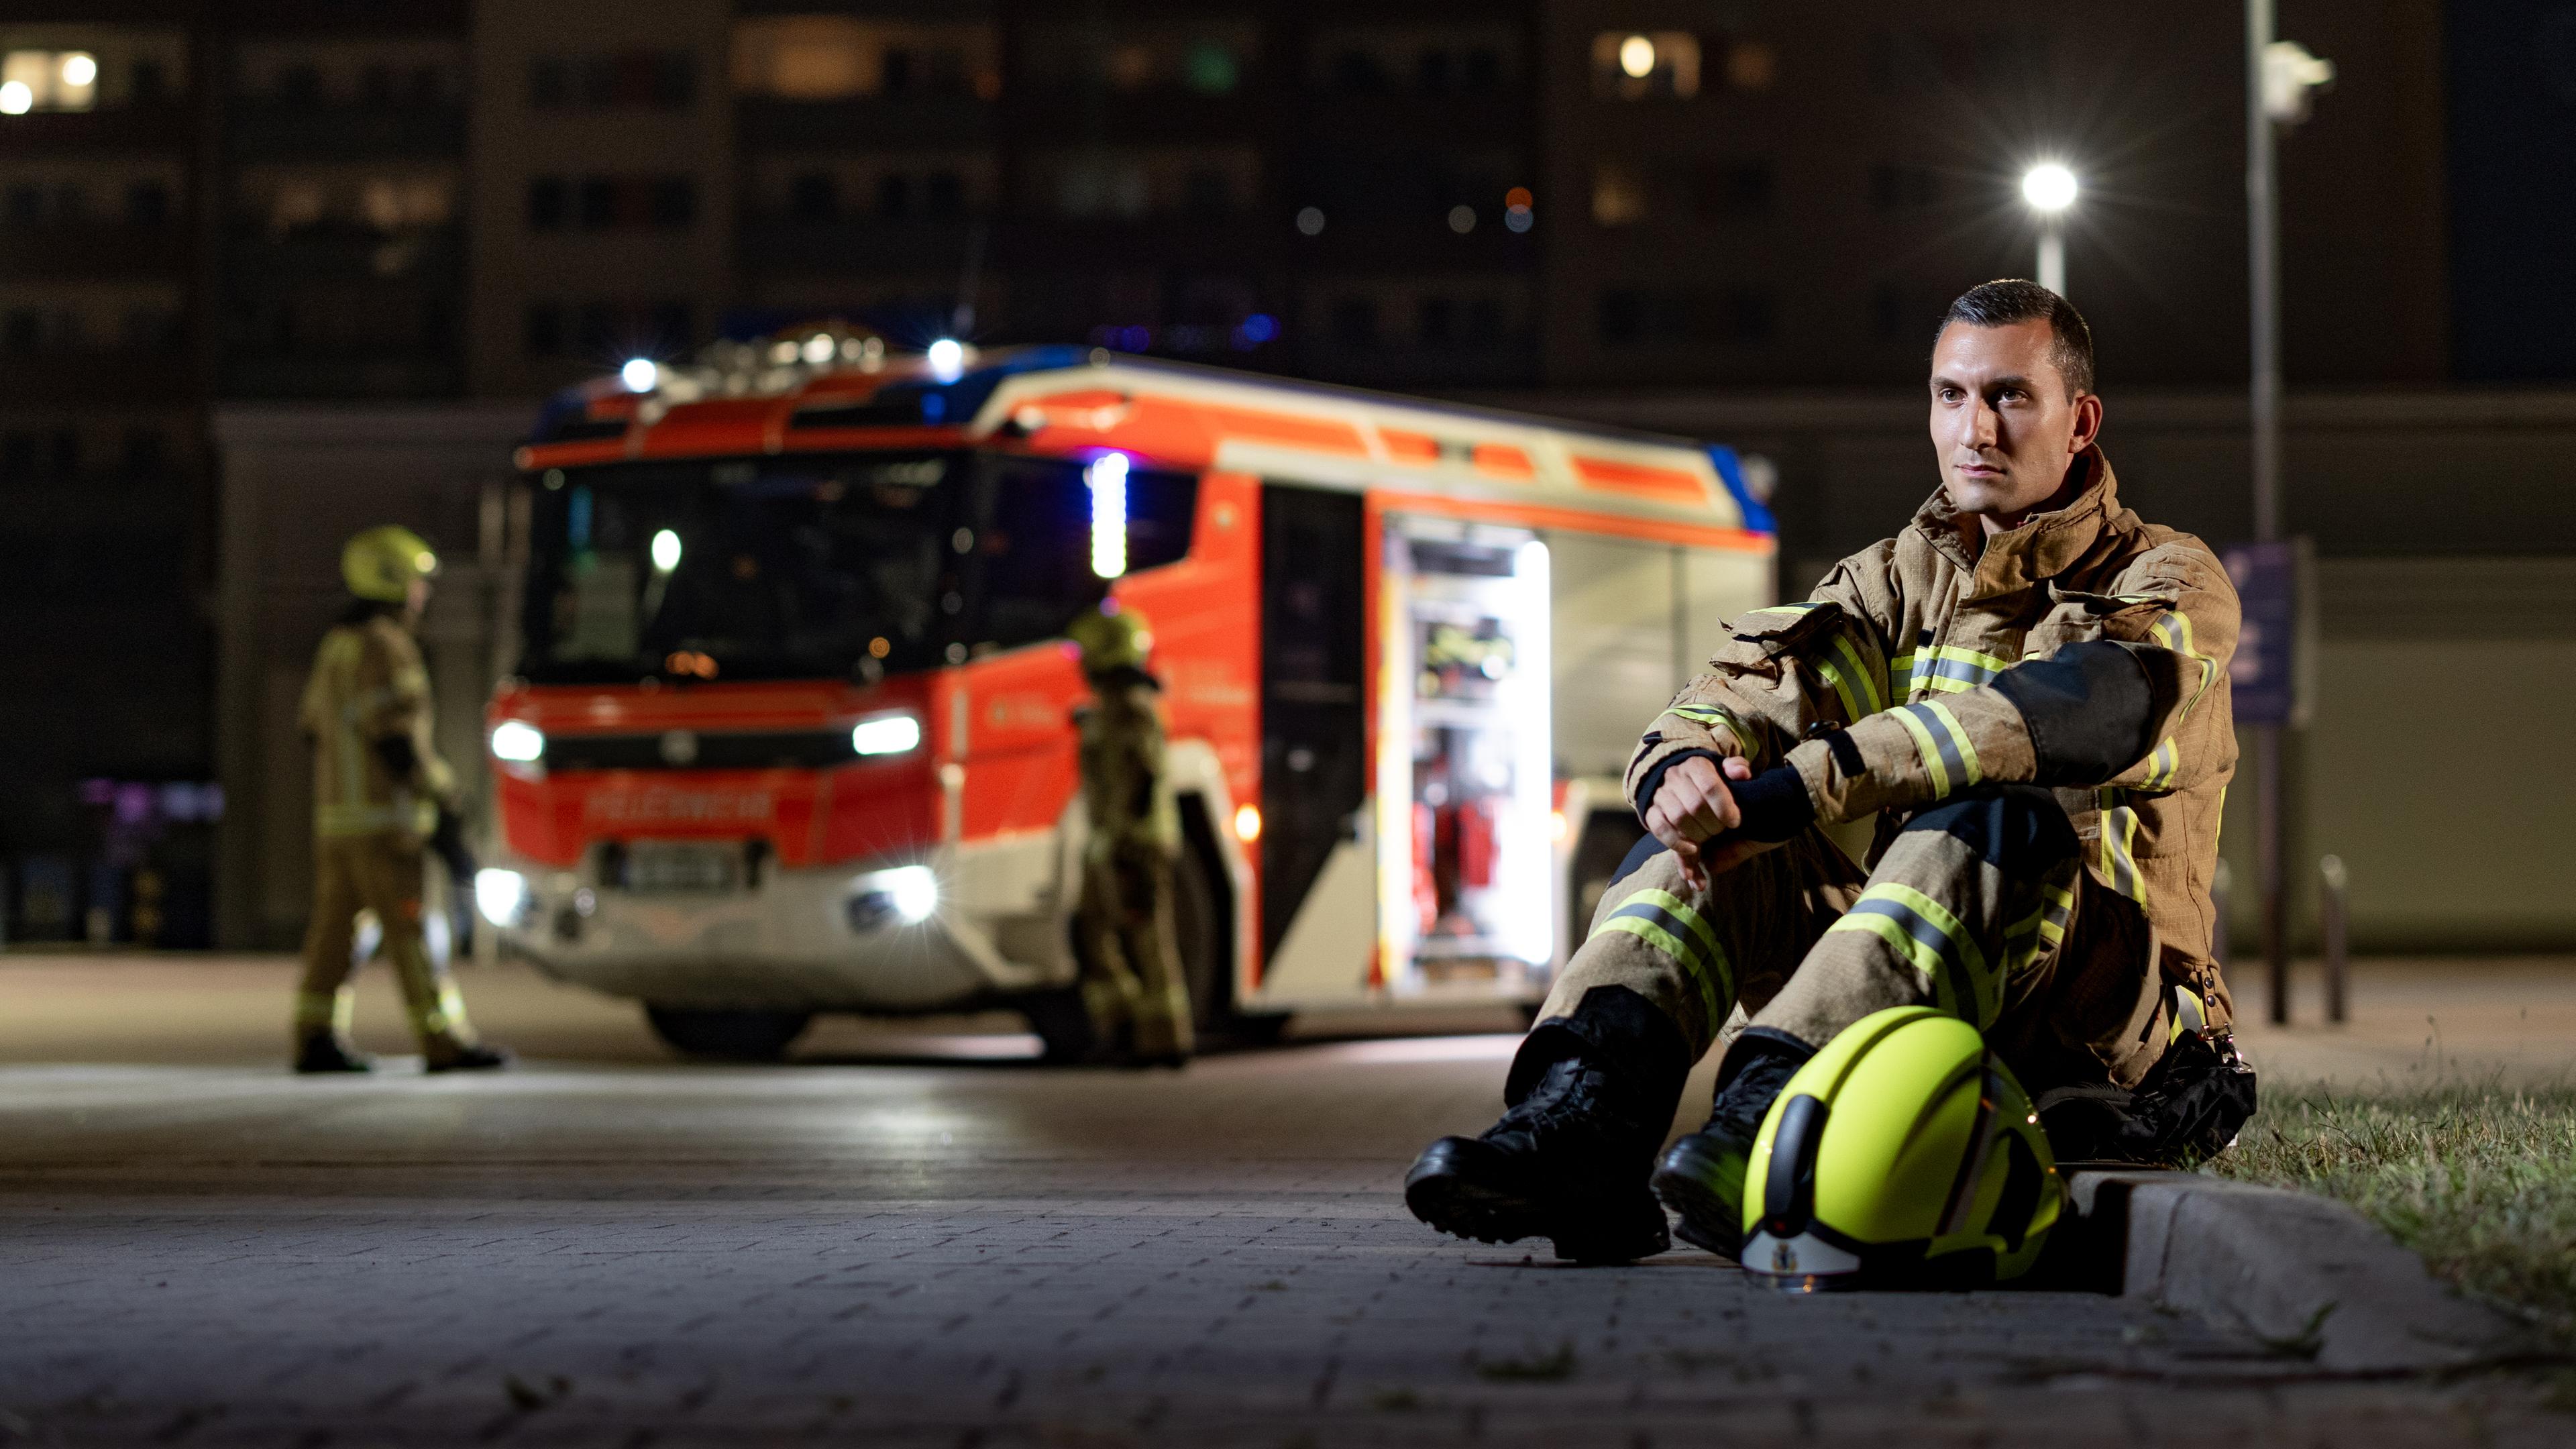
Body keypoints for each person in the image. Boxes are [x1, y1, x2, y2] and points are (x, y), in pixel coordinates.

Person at [1405, 280, 2253, 1263]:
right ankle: (1583, 1120)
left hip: (2108, 1019)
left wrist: (1807, 784)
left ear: (2080, 421)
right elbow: (1744, 691)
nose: (1976, 427)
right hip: (1929, 982)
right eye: (1950, 395)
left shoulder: (2166, 576)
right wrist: (1683, 775)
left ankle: (1769, 1122)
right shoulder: (1892, 578)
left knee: (1995, 819)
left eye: (2011, 396)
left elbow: (2079, 713)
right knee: (1713, 851)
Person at [292, 525, 511, 1075]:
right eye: (416, 583)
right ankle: (443, 1040)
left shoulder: (335, 645)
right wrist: (440, 795)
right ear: (391, 582)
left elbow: (312, 728)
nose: (422, 594)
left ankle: (314, 1036)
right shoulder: (388, 646)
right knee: (414, 935)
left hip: (336, 825)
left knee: (333, 937)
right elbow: (395, 736)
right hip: (386, 825)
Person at [1066, 599, 1193, 1067]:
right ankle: (1122, 1028)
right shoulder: (1112, 708)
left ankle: (1167, 1041)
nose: (1080, 664)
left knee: (1146, 937)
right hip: (1112, 843)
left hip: (1135, 844)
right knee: (1093, 932)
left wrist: (1122, 837)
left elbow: (1142, 772)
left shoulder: (1134, 708)